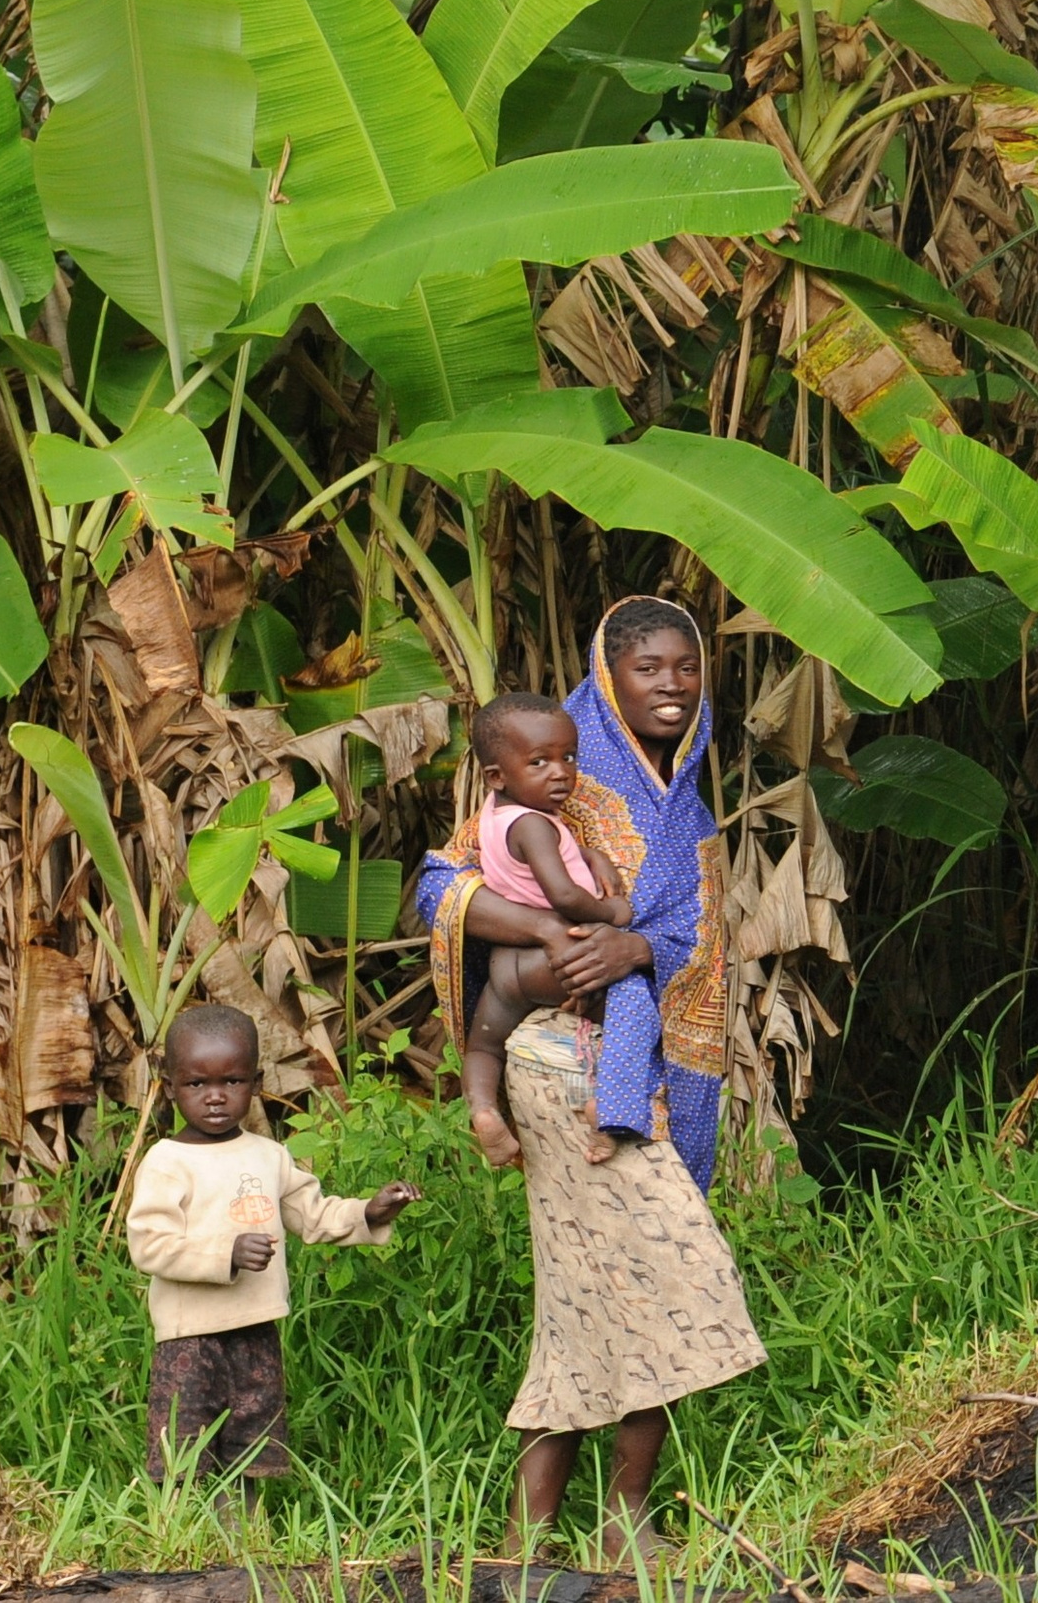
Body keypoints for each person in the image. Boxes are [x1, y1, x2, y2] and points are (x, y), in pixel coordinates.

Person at [418, 596, 765, 1561]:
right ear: (608, 676)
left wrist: (636, 948)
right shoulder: (554, 775)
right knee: (665, 1272)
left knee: (591, 1287)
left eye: (686, 669)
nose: (671, 686)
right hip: (551, 1057)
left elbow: (696, 948)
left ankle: (548, 1536)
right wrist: (548, 931)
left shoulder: (687, 806)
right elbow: (440, 887)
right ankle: (618, 1519)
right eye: (649, 668)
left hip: (634, 1074)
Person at [128, 1005, 420, 1488]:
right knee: (182, 1447)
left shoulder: (269, 1156)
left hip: (257, 1329)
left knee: (250, 1447)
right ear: (169, 1082)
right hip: (188, 1337)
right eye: (197, 1084)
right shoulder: (166, 1161)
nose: (216, 1097)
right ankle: (177, 1544)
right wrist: (226, 1254)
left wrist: (369, 1212)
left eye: (233, 1082)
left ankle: (245, 1545)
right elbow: (150, 1246)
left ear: (257, 1080)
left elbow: (315, 1215)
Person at [462, 692, 634, 1168]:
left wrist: (589, 855)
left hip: (507, 965)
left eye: (569, 757)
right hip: (557, 959)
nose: (560, 772)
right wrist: (611, 913)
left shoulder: (495, 818)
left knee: (483, 1045)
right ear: (497, 775)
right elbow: (562, 895)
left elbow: (541, 866)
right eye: (539, 762)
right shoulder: (535, 825)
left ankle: (483, 1112)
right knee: (629, 1010)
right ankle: (608, 1109)